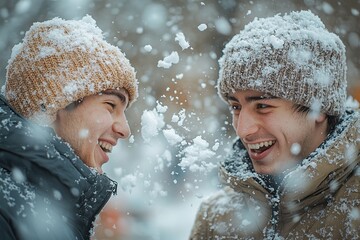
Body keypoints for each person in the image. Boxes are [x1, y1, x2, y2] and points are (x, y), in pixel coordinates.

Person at [190, 10, 359, 239]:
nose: (242, 130)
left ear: (318, 108)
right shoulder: (217, 218)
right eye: (235, 107)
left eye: (262, 106)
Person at [0, 15, 138, 239]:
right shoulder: (8, 211)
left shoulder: (42, 207)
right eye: (110, 105)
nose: (125, 129)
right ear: (53, 106)